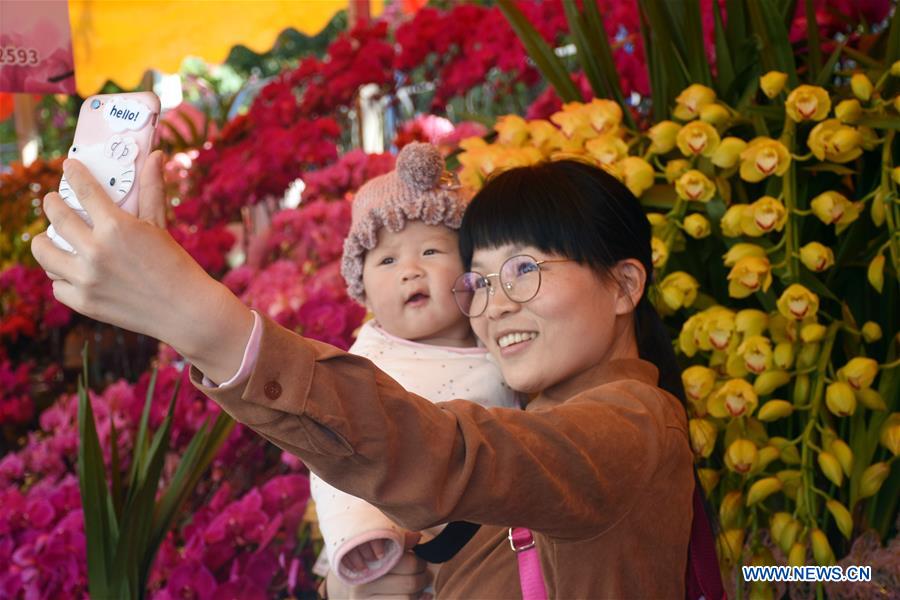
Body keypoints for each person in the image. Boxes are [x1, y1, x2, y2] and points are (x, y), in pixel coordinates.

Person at [32, 152, 721, 598]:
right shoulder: (532, 408)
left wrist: (204, 322)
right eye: (478, 280)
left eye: (524, 270)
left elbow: (447, 453)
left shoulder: (630, 423)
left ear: (625, 283)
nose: (495, 301)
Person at [312, 142, 519, 586]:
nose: (410, 270)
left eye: (430, 252)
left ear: (470, 267)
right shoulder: (367, 361)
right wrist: (363, 532)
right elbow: (333, 455)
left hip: (495, 550)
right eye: (387, 260)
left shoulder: (503, 333)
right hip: (396, 554)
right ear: (362, 288)